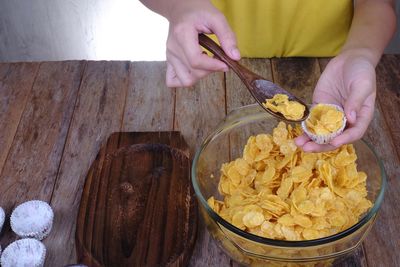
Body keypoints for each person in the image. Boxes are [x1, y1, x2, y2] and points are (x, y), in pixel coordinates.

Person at [140, 0, 396, 152]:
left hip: (334, 71)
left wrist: (360, 53)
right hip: (211, 65)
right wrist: (179, 6)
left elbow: (376, 3)